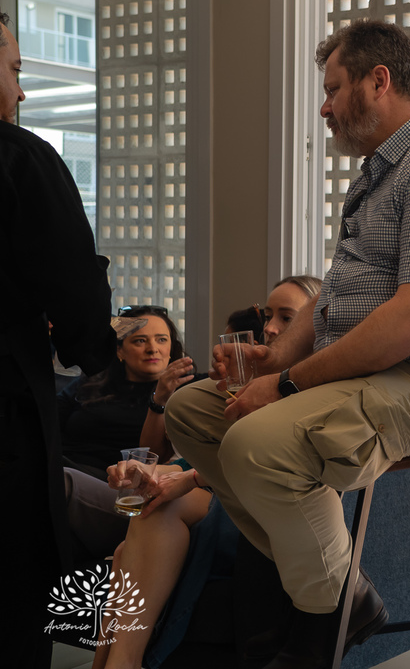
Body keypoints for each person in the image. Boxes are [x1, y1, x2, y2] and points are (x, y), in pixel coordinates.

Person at [164, 19, 410, 669]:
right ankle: (341, 591)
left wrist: (287, 384)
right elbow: (338, 289)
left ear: (378, 81)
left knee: (255, 441)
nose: (324, 107)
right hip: (386, 372)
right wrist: (276, 356)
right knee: (192, 410)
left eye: (332, 89)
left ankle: (318, 621)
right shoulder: (383, 168)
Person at [92, 276, 322, 669]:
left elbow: (257, 460)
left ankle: (119, 664)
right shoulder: (248, 377)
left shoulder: (313, 385)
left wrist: (183, 477)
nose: (269, 328)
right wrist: (154, 470)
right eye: (268, 316)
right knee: (129, 543)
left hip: (264, 505)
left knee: (152, 514)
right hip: (218, 488)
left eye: (286, 317)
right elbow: (198, 453)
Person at [0, 10, 118, 668]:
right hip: (7, 415)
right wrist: (90, 343)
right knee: (15, 594)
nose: (20, 91)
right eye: (14, 69)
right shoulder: (21, 160)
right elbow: (75, 293)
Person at [59, 305, 193, 478]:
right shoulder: (91, 382)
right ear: (119, 350)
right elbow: (49, 419)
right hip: (62, 464)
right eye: (140, 341)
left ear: (171, 348)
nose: (153, 349)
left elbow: (158, 458)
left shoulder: (186, 390)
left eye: (161, 340)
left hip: (114, 479)